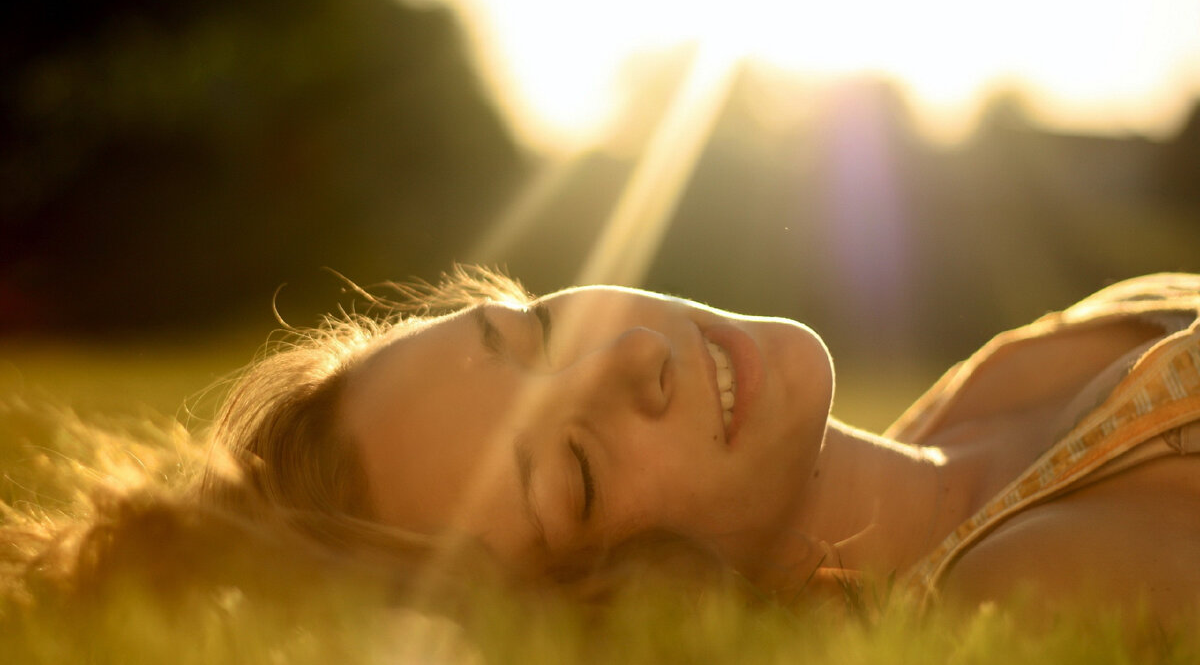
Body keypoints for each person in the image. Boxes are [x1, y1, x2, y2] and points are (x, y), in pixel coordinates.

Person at [201, 268, 1200, 619]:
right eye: (577, 470)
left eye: (536, 331)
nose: (632, 352)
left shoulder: (968, 402)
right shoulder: (1027, 587)